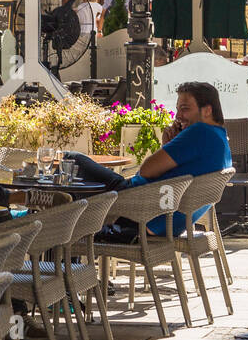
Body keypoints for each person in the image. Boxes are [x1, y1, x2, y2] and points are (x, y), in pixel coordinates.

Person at [63, 82, 232, 243]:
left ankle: (57, 259)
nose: (179, 116)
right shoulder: (220, 139)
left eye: (185, 109)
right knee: (72, 196)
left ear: (207, 110)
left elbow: (146, 171)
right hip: (164, 221)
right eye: (178, 109)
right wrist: (168, 146)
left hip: (138, 208)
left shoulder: (199, 131)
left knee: (71, 159)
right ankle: (70, 254)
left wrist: (168, 145)